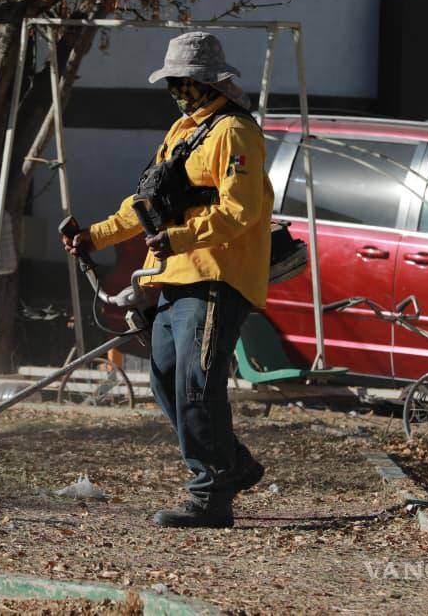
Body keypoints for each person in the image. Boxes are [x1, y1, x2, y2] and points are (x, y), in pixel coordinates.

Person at [62, 32, 274, 528]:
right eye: (171, 84)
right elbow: (145, 205)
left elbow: (241, 211)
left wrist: (179, 238)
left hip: (219, 277)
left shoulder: (235, 133)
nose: (176, 91)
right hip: (174, 277)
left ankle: (210, 496)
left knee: (198, 384)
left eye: (183, 82)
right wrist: (95, 236)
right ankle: (233, 464)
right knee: (164, 378)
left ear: (207, 82)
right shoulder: (181, 133)